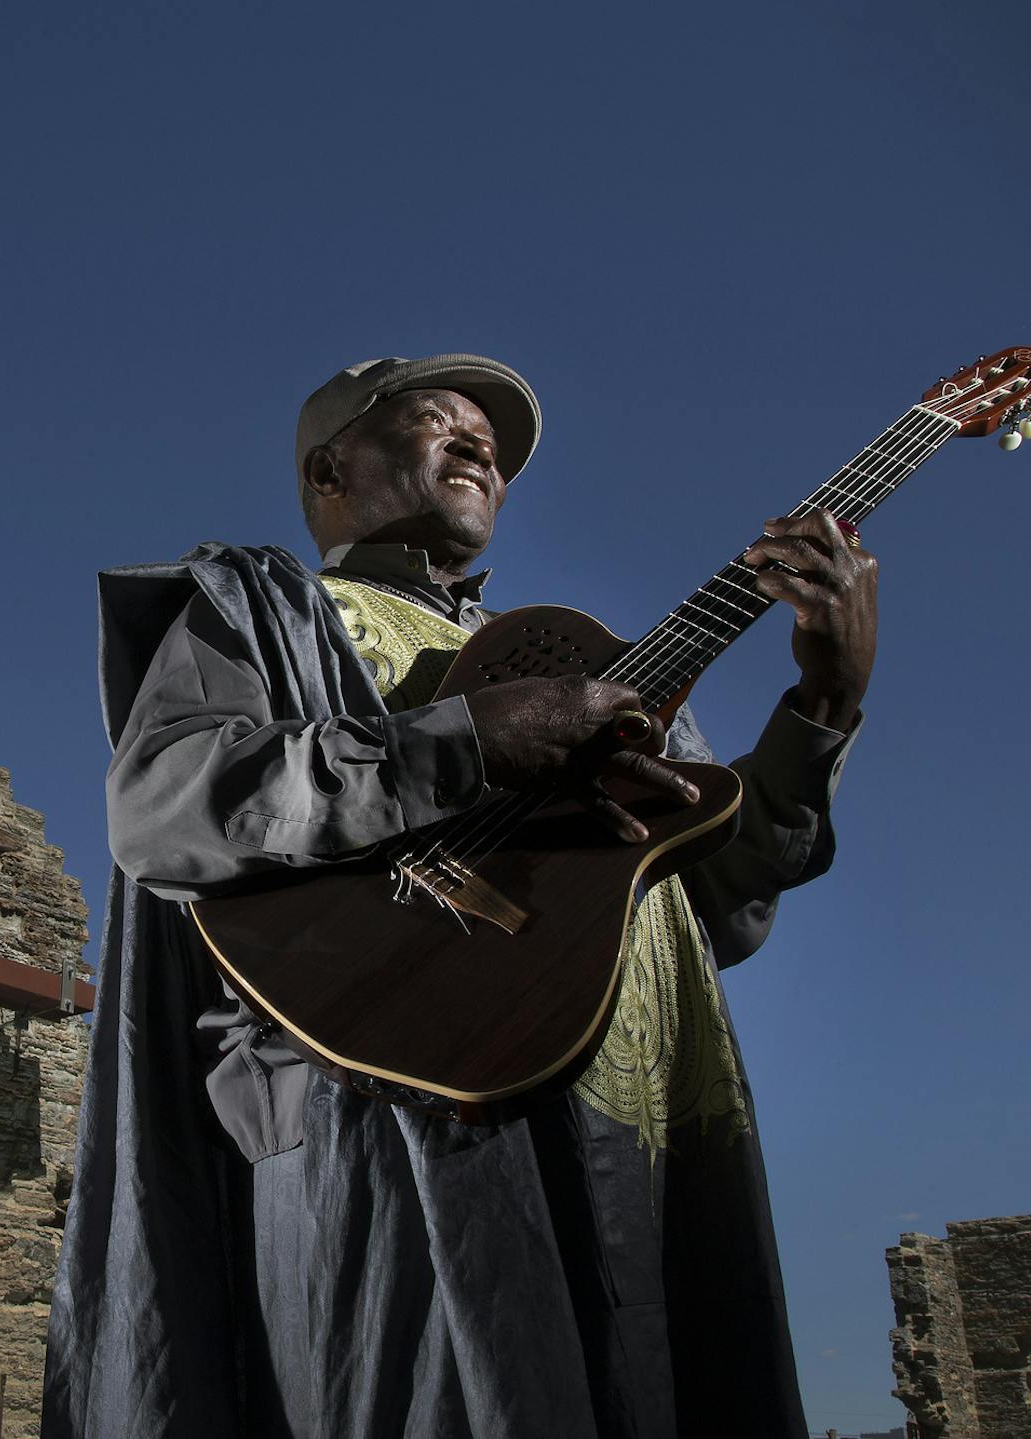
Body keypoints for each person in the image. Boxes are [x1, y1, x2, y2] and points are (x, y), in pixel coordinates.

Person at [43, 354, 875, 1438]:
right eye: (443, 423)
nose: (483, 448)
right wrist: (471, 740)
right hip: (395, 1123)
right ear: (329, 466)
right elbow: (164, 807)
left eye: (497, 444)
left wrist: (822, 704)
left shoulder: (600, 674)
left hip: (648, 1140)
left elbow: (719, 905)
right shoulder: (269, 612)